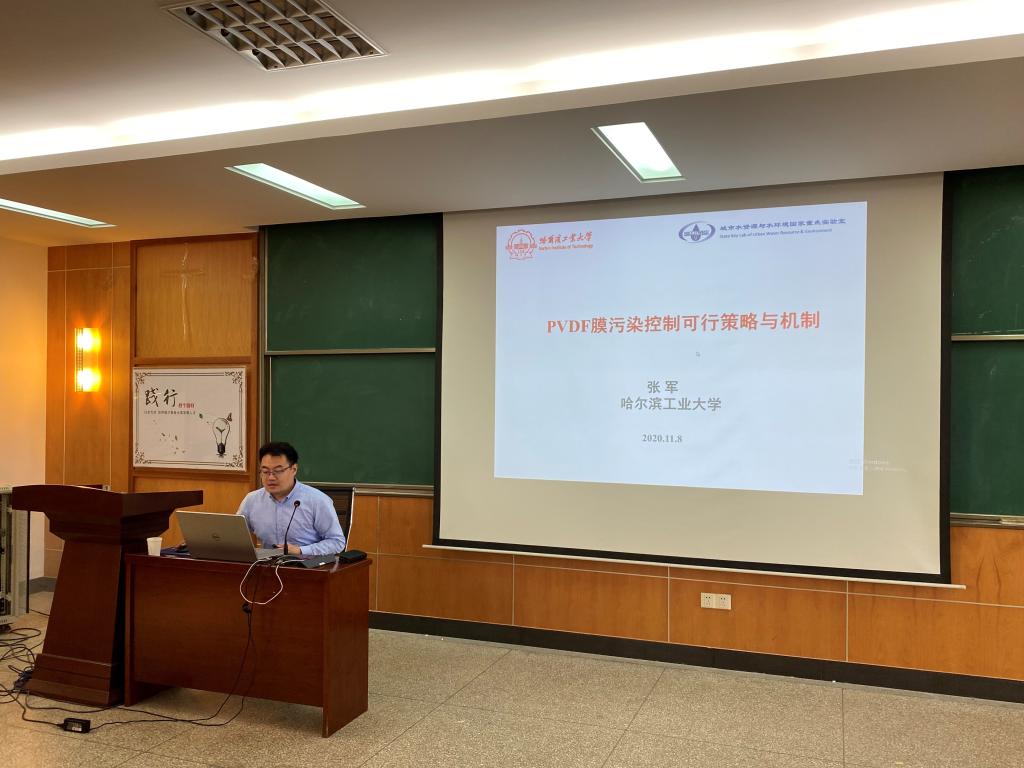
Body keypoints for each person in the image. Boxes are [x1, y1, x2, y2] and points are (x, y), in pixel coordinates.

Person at [237, 441, 345, 557]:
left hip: (307, 564)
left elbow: (337, 542)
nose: (271, 477)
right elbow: (235, 535)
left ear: (294, 469)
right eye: (265, 471)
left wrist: (301, 550)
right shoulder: (252, 500)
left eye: (278, 471)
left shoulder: (317, 501)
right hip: (267, 564)